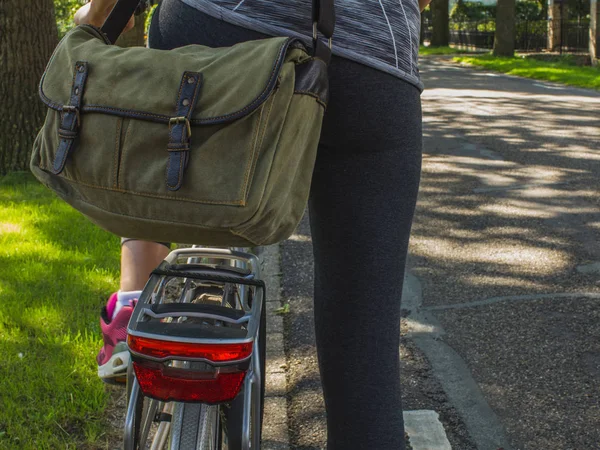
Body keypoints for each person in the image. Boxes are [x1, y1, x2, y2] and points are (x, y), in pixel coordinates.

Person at [76, 0, 430, 447]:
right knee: (364, 341)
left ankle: (133, 296)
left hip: (212, 23)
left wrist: (99, 13)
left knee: (160, 129)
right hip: (370, 56)